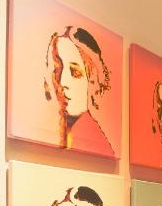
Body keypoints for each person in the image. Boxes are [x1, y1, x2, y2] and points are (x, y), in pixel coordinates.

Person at [44, 26, 114, 156]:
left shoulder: (96, 143)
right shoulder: (59, 130)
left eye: (75, 73)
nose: (63, 82)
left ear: (92, 81)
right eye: (58, 70)